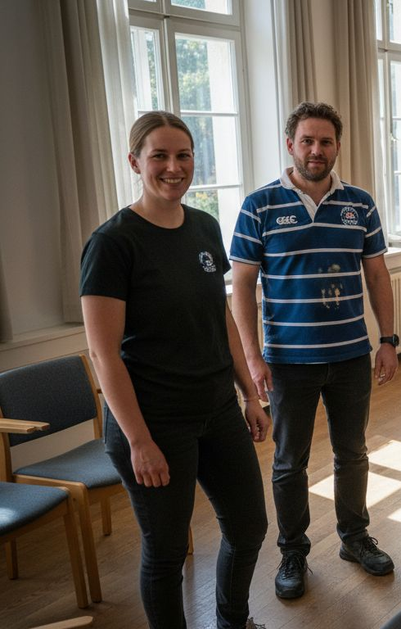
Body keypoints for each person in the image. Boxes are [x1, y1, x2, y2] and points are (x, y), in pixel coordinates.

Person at [81, 112, 268, 629]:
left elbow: (222, 319)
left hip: (216, 409)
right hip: (153, 422)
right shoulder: (112, 243)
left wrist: (249, 394)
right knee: (166, 553)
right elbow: (104, 355)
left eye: (182, 155)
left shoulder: (205, 226)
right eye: (159, 155)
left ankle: (234, 621)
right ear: (135, 161)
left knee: (249, 527)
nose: (173, 167)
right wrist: (138, 441)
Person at [230, 102, 397, 599]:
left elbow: (376, 275)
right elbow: (241, 288)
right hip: (288, 362)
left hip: (350, 356)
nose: (316, 150)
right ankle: (293, 550)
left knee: (353, 454)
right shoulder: (259, 206)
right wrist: (253, 357)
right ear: (290, 145)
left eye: (325, 142)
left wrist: (388, 340)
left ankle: (354, 536)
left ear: (337, 147)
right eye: (307, 141)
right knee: (288, 462)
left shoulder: (360, 203)